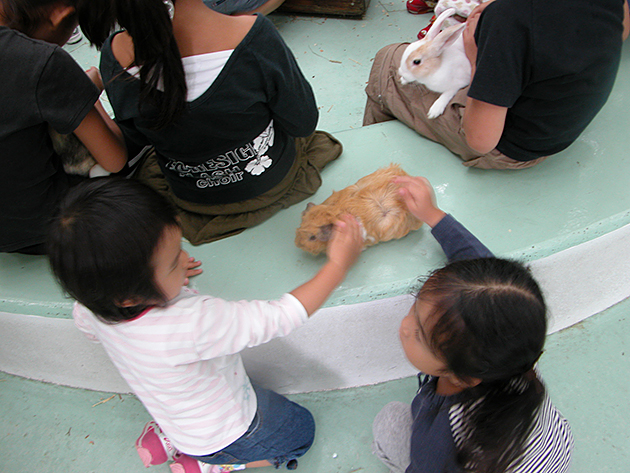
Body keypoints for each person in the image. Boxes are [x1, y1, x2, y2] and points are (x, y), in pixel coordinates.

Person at [47, 178, 364, 473]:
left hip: (175, 418)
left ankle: (172, 441)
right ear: (130, 296)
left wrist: (164, 281)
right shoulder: (193, 322)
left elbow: (101, 328)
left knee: (185, 415)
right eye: (174, 262)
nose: (186, 259)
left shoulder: (90, 308)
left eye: (179, 247)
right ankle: (214, 465)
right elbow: (279, 317)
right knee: (301, 430)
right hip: (227, 435)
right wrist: (338, 266)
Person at [79, 0, 341, 245]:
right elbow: (302, 124)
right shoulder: (255, 36)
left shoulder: (114, 54)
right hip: (272, 182)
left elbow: (138, 136)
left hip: (191, 198)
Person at [371, 176, 574, 472]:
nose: (404, 325)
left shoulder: (440, 441)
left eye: (419, 333)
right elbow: (483, 275)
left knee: (389, 422)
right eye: (416, 307)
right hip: (546, 458)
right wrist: (433, 215)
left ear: (464, 379)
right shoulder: (510, 348)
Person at [364, 0, 630, 170]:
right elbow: (621, 30)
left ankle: (375, 169)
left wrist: (475, 55)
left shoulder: (508, 17)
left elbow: (481, 140)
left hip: (515, 149)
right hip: (564, 124)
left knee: (388, 60)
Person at [0, 0, 127, 254]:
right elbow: (115, 159)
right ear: (61, 14)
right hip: (46, 228)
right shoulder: (43, 61)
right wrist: (87, 92)